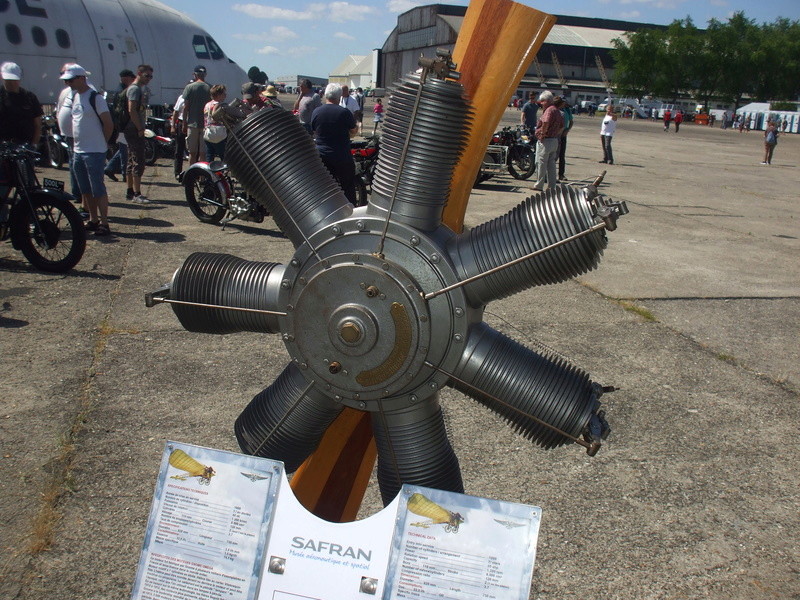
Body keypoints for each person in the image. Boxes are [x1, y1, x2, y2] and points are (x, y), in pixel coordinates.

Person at [60, 64, 114, 236]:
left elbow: (108, 124)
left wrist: (102, 144)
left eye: (71, 80)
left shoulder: (95, 98)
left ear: (82, 78)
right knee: (85, 188)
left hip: (94, 151)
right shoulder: (75, 96)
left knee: (97, 187)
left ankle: (104, 222)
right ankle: (93, 219)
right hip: (79, 150)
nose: (68, 83)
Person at [311, 83, 358, 204]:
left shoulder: (316, 112)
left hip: (322, 156)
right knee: (348, 187)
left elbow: (315, 130)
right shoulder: (344, 112)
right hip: (341, 156)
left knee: (323, 189)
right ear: (339, 96)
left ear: (326, 95)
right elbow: (353, 130)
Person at [124, 64, 154, 204]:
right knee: (138, 160)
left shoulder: (136, 89)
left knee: (131, 159)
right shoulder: (135, 89)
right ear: (139, 74)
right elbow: (132, 110)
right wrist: (140, 128)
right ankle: (137, 193)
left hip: (133, 128)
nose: (149, 79)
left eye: (151, 76)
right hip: (134, 129)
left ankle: (130, 191)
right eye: (146, 75)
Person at [104, 69, 136, 184]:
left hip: (121, 123)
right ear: (125, 78)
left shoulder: (121, 90)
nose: (133, 80)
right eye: (131, 78)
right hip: (122, 124)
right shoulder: (122, 91)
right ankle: (124, 174)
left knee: (123, 148)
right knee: (125, 150)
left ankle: (110, 168)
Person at [0, 62, 43, 146]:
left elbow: (38, 125)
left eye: (14, 80)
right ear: (2, 77)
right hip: (3, 147)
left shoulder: (29, 97)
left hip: (25, 147)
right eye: (8, 80)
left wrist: (34, 145)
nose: (12, 83)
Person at [532, 90, 563, 192]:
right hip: (554, 140)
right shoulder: (557, 110)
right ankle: (552, 186)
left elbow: (546, 122)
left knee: (541, 162)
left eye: (542, 101)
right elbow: (562, 126)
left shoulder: (549, 110)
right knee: (551, 164)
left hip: (546, 141)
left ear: (547, 100)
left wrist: (542, 134)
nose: (541, 103)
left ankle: (539, 184)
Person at [182, 65, 211, 164]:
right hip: (205, 124)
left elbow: (186, 107)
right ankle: (202, 176)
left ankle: (191, 175)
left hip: (192, 123)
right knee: (203, 153)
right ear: (205, 74)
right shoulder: (210, 88)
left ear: (194, 75)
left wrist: (184, 123)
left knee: (192, 153)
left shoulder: (189, 87)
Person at [203, 84, 228, 162]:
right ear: (218, 95)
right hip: (217, 132)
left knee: (209, 154)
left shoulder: (207, 104)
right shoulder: (217, 104)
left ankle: (208, 170)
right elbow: (214, 115)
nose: (225, 95)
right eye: (224, 93)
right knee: (223, 154)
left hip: (208, 131)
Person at [555, 96, 573, 181]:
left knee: (562, 155)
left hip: (563, 134)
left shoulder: (567, 110)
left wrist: (567, 130)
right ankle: (550, 174)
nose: (564, 103)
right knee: (554, 156)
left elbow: (571, 121)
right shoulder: (556, 110)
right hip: (555, 134)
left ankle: (561, 174)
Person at [170, 89, 187, 180]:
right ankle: (178, 172)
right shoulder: (182, 98)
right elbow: (176, 112)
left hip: (194, 124)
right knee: (179, 149)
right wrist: (173, 126)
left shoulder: (198, 97)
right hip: (181, 123)